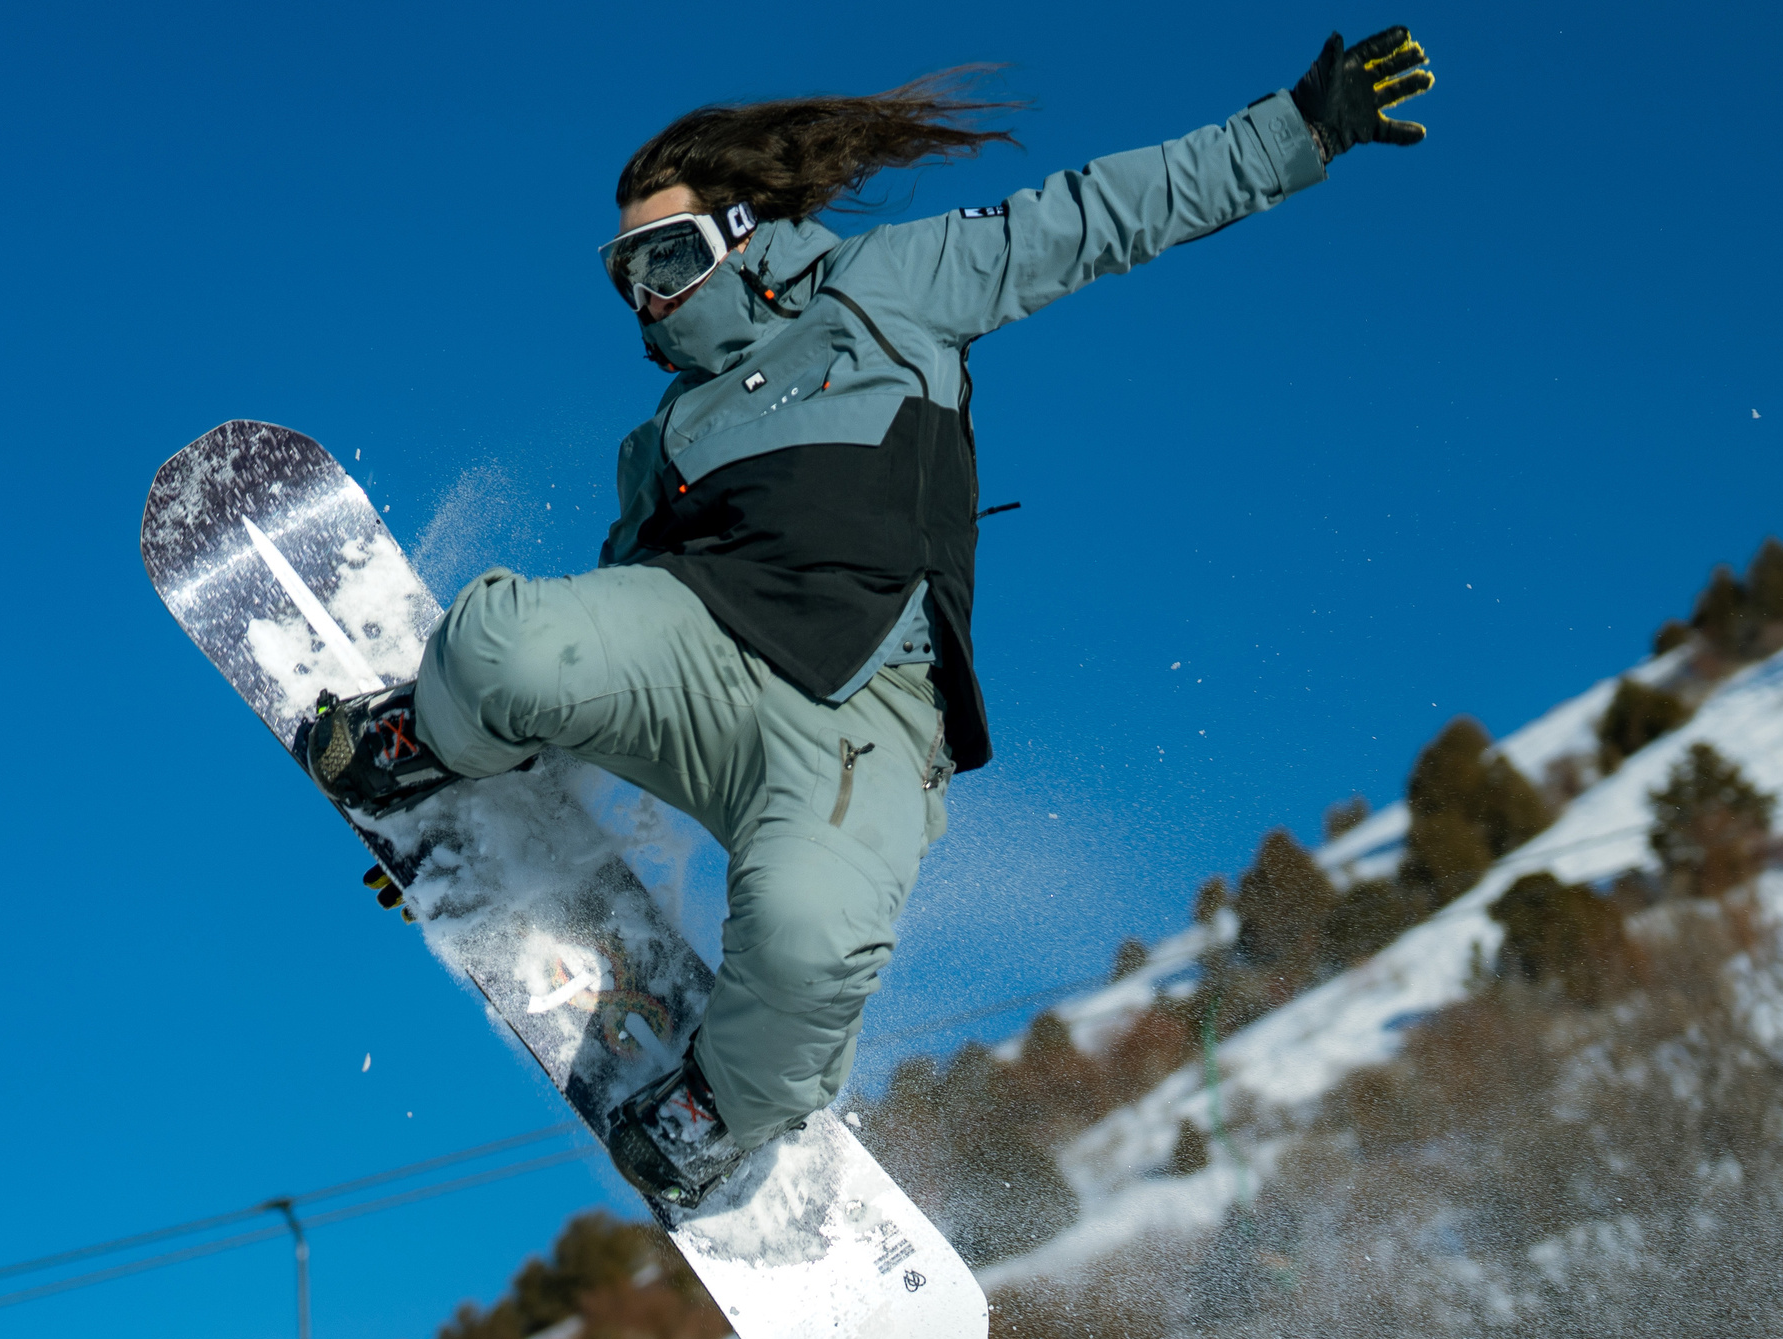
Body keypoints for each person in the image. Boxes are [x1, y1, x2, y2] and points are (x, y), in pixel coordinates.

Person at [297, 28, 1435, 1214]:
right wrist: (480, 830)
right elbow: (597, 667)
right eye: (624, 273)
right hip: (701, 642)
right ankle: (422, 748)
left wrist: (1297, 131)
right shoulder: (666, 438)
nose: (649, 298)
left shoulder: (888, 289)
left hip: (868, 715)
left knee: (807, 940)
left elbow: (1094, 214)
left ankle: (724, 1112)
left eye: (668, 257)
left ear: (745, 231)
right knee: (505, 642)